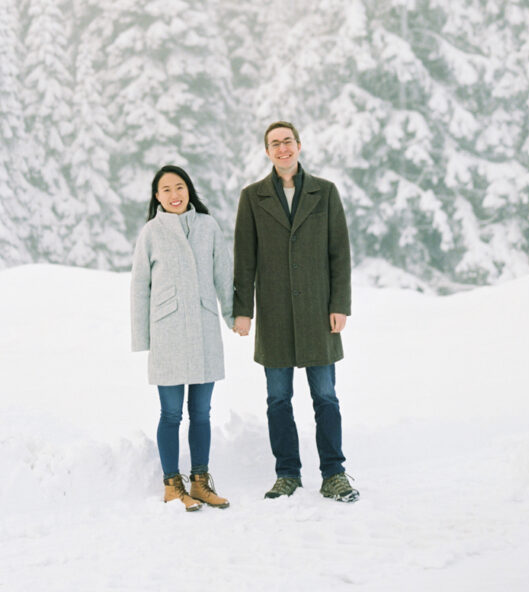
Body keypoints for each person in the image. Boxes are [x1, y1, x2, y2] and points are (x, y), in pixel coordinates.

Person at [232, 121, 359, 503]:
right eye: (275, 143)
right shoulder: (252, 197)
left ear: (299, 146)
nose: (282, 148)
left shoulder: (325, 192)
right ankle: (287, 473)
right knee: (278, 399)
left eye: (288, 141)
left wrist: (340, 305)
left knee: (326, 397)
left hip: (319, 313)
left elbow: (340, 252)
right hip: (274, 314)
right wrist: (243, 311)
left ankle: (334, 474)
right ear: (267, 152)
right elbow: (245, 259)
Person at [130, 164, 234, 511]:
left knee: (201, 413)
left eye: (180, 187)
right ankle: (172, 485)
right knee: (171, 413)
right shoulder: (151, 232)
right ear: (156, 197)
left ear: (189, 190)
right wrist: (142, 337)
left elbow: (223, 274)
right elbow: (139, 287)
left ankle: (200, 483)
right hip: (168, 331)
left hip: (204, 327)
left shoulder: (208, 227)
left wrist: (233, 315)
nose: (174, 195)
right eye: (166, 190)